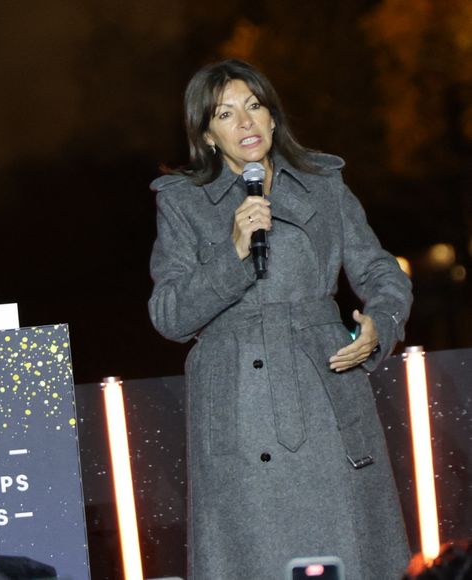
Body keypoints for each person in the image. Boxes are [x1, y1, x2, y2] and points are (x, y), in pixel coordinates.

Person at [148, 59, 413, 579]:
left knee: (350, 551)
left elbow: (382, 272)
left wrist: (380, 325)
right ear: (207, 135)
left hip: (324, 394)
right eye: (226, 114)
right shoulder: (183, 202)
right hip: (238, 417)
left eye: (254, 107)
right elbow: (169, 315)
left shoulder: (323, 183)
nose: (245, 124)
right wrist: (233, 253)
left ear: (272, 117)